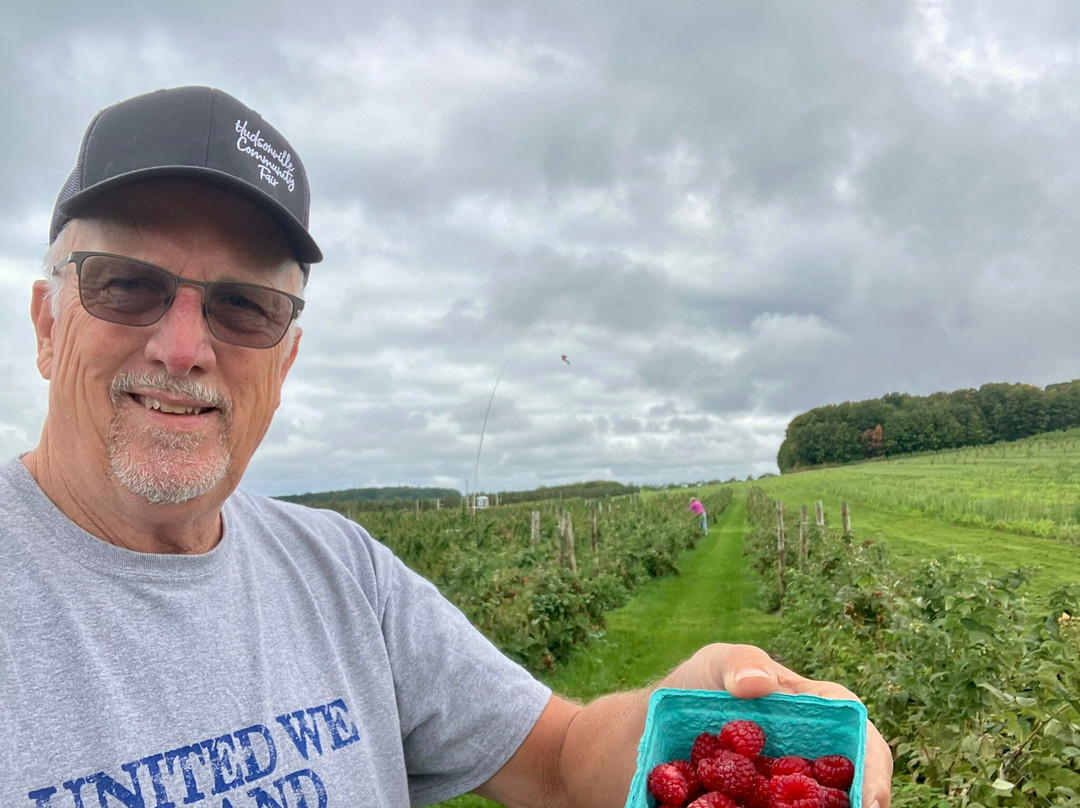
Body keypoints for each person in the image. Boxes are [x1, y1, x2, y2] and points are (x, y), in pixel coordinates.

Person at [0, 86, 892, 807]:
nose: (185, 346)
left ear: (288, 353)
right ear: (47, 324)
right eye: (126, 286)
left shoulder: (340, 570)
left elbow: (558, 760)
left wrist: (683, 708)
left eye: (245, 306)